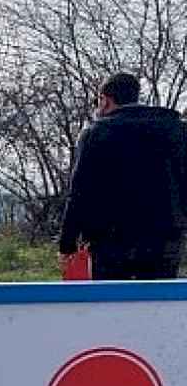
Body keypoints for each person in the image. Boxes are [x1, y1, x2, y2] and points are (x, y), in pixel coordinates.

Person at [59, 73, 187, 280]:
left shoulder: (95, 133)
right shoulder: (177, 131)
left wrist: (68, 244)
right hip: (164, 237)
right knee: (158, 303)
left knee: (112, 304)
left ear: (106, 99)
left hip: (110, 240)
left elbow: (79, 192)